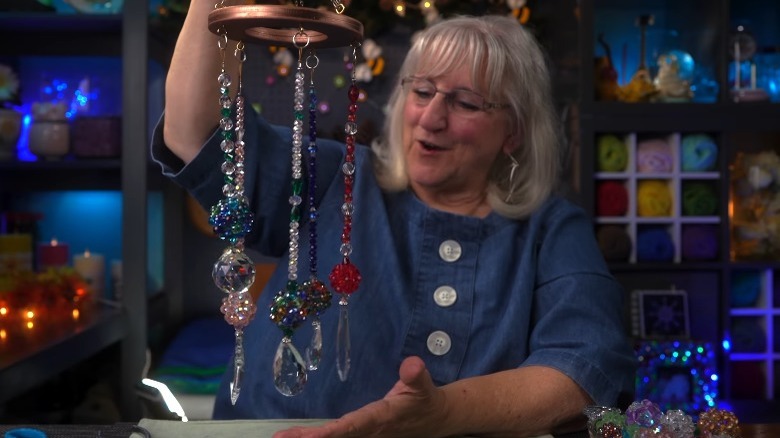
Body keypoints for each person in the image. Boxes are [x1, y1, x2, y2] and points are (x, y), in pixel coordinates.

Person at [153, 1, 637, 436]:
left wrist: (445, 413)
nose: (431, 118)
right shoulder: (335, 177)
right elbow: (194, 134)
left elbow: (584, 368)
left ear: (513, 131)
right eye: (422, 91)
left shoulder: (550, 228)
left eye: (465, 102)